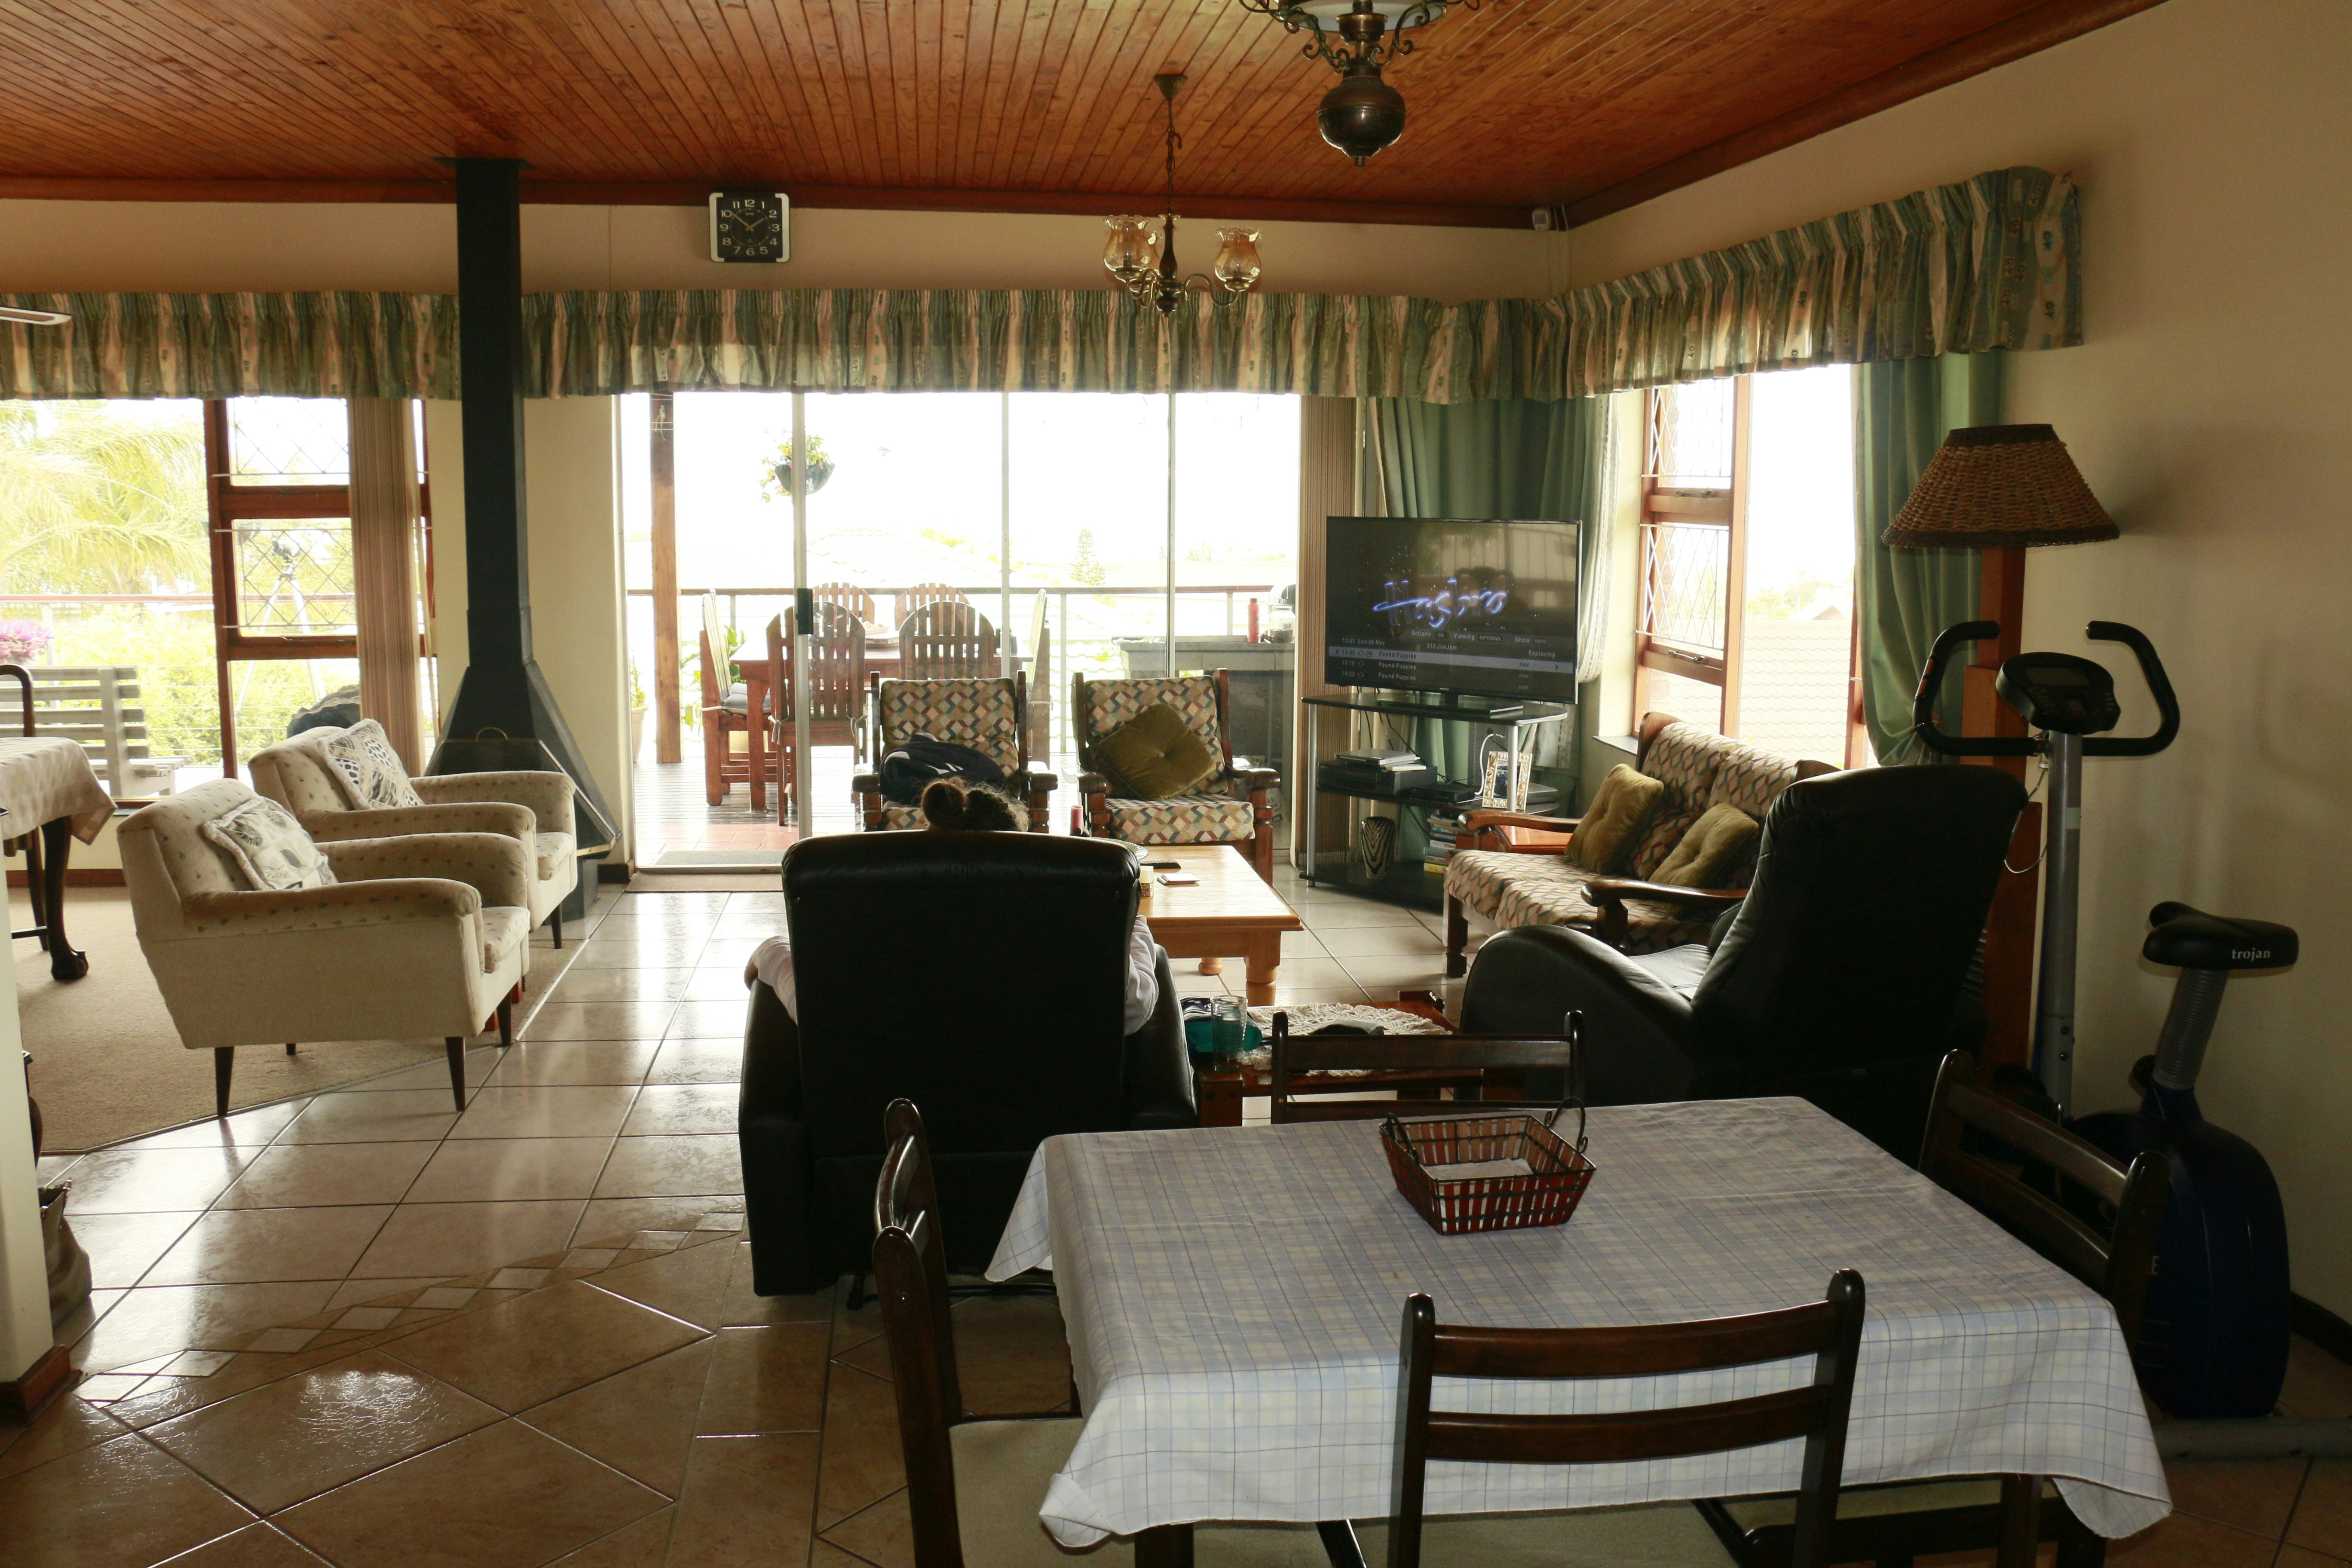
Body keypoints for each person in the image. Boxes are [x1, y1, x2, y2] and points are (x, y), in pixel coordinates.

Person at [743, 778, 1164, 1030]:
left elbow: (815, 1006)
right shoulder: (1063, 932)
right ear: (1023, 855)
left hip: (897, 1125)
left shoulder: (873, 932)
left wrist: (770, 955)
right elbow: (1135, 1008)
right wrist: (1135, 929)